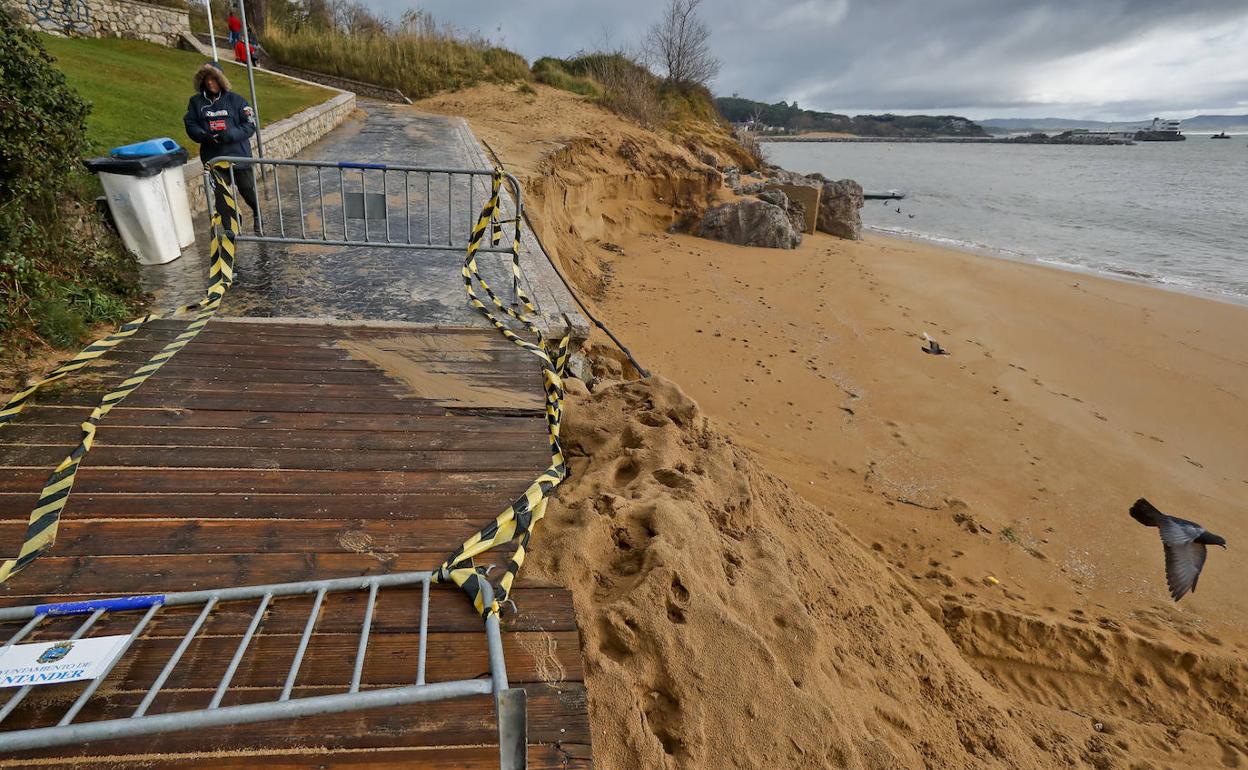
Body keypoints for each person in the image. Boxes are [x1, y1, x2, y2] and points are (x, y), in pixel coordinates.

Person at [183, 63, 259, 225]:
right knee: (221, 194)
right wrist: (203, 135)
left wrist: (229, 135)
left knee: (247, 190)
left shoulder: (237, 100)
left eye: (213, 78)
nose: (210, 82)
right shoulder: (196, 102)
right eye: (206, 79)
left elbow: (250, 124)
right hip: (214, 159)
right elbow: (190, 124)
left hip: (239, 156)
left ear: (221, 80)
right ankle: (231, 224)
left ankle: (257, 213)